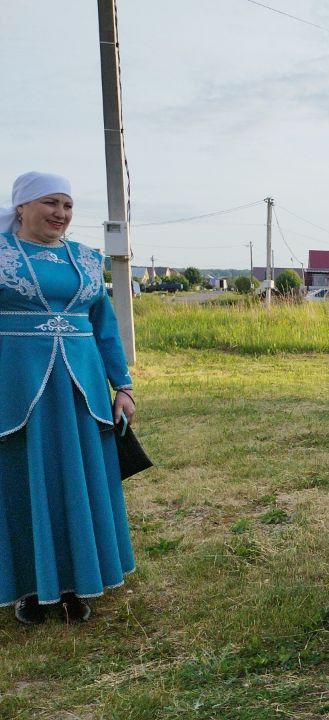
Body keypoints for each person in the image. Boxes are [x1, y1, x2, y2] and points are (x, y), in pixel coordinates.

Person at [0, 171, 136, 624]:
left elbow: (105, 326)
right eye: (50, 203)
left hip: (83, 388)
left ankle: (80, 580)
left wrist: (124, 385)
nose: (61, 213)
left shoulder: (85, 257)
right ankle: (30, 586)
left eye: (68, 205)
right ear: (21, 206)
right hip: (18, 388)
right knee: (25, 478)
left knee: (80, 476)